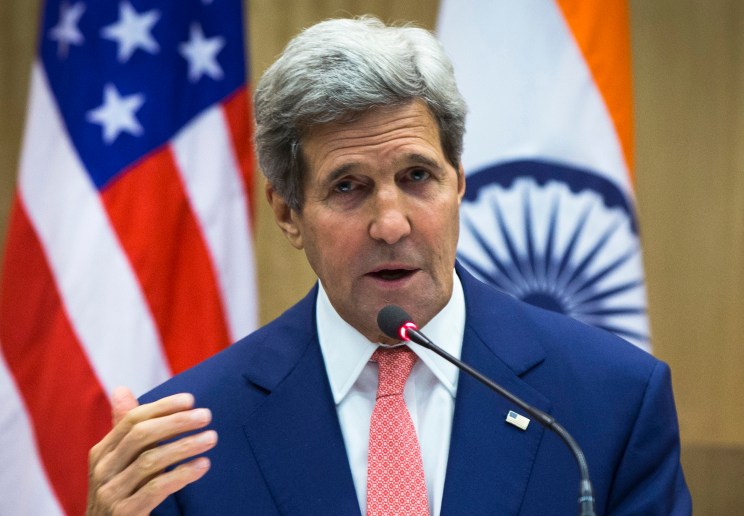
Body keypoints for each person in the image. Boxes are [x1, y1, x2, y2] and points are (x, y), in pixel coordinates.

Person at [87, 16, 691, 515]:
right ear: (288, 213)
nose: (392, 223)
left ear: (458, 181)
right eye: (348, 187)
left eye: (417, 177)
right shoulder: (186, 437)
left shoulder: (612, 403)